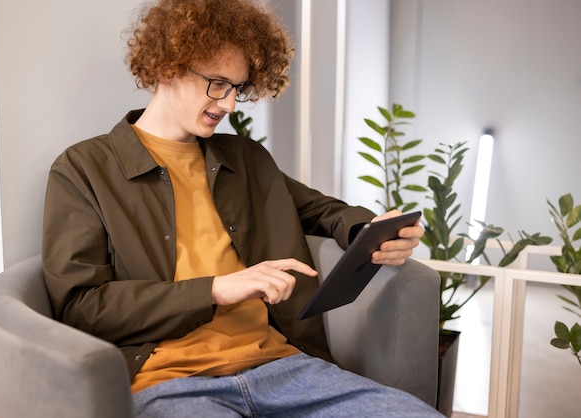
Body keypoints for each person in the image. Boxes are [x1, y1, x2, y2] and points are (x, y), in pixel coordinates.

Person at [42, 0, 442, 416]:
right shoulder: (84, 169)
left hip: (286, 368)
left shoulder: (245, 158)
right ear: (167, 67)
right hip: (169, 383)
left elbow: (321, 210)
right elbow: (81, 306)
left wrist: (369, 233)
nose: (230, 105)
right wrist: (216, 289)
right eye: (217, 83)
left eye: (237, 88)